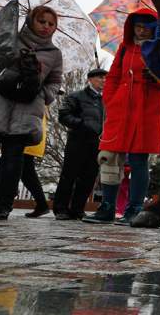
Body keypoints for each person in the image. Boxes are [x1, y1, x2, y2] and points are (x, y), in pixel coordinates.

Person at [0, 6, 63, 221]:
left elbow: (55, 82)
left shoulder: (54, 54)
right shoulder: (8, 38)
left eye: (51, 23)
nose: (46, 27)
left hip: (25, 110)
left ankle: (2, 207)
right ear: (30, 21)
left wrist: (42, 93)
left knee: (12, 160)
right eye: (42, 21)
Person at [84, 8, 160, 225]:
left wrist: (157, 78)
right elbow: (112, 77)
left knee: (139, 160)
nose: (141, 32)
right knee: (110, 159)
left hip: (147, 111)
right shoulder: (123, 49)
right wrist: (110, 101)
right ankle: (107, 208)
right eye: (137, 27)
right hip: (120, 110)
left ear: (154, 30)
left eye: (146, 28)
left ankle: (134, 209)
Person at [53, 68, 107, 221]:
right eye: (100, 77)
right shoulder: (76, 96)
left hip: (97, 143)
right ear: (90, 79)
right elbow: (64, 115)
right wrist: (82, 124)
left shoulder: (106, 100)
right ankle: (61, 209)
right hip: (78, 141)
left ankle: (78, 209)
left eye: (105, 78)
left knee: (89, 177)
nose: (104, 80)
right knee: (69, 175)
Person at [21, 105, 51, 218]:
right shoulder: (43, 103)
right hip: (30, 140)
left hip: (26, 140)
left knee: (26, 174)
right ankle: (42, 204)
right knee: (27, 175)